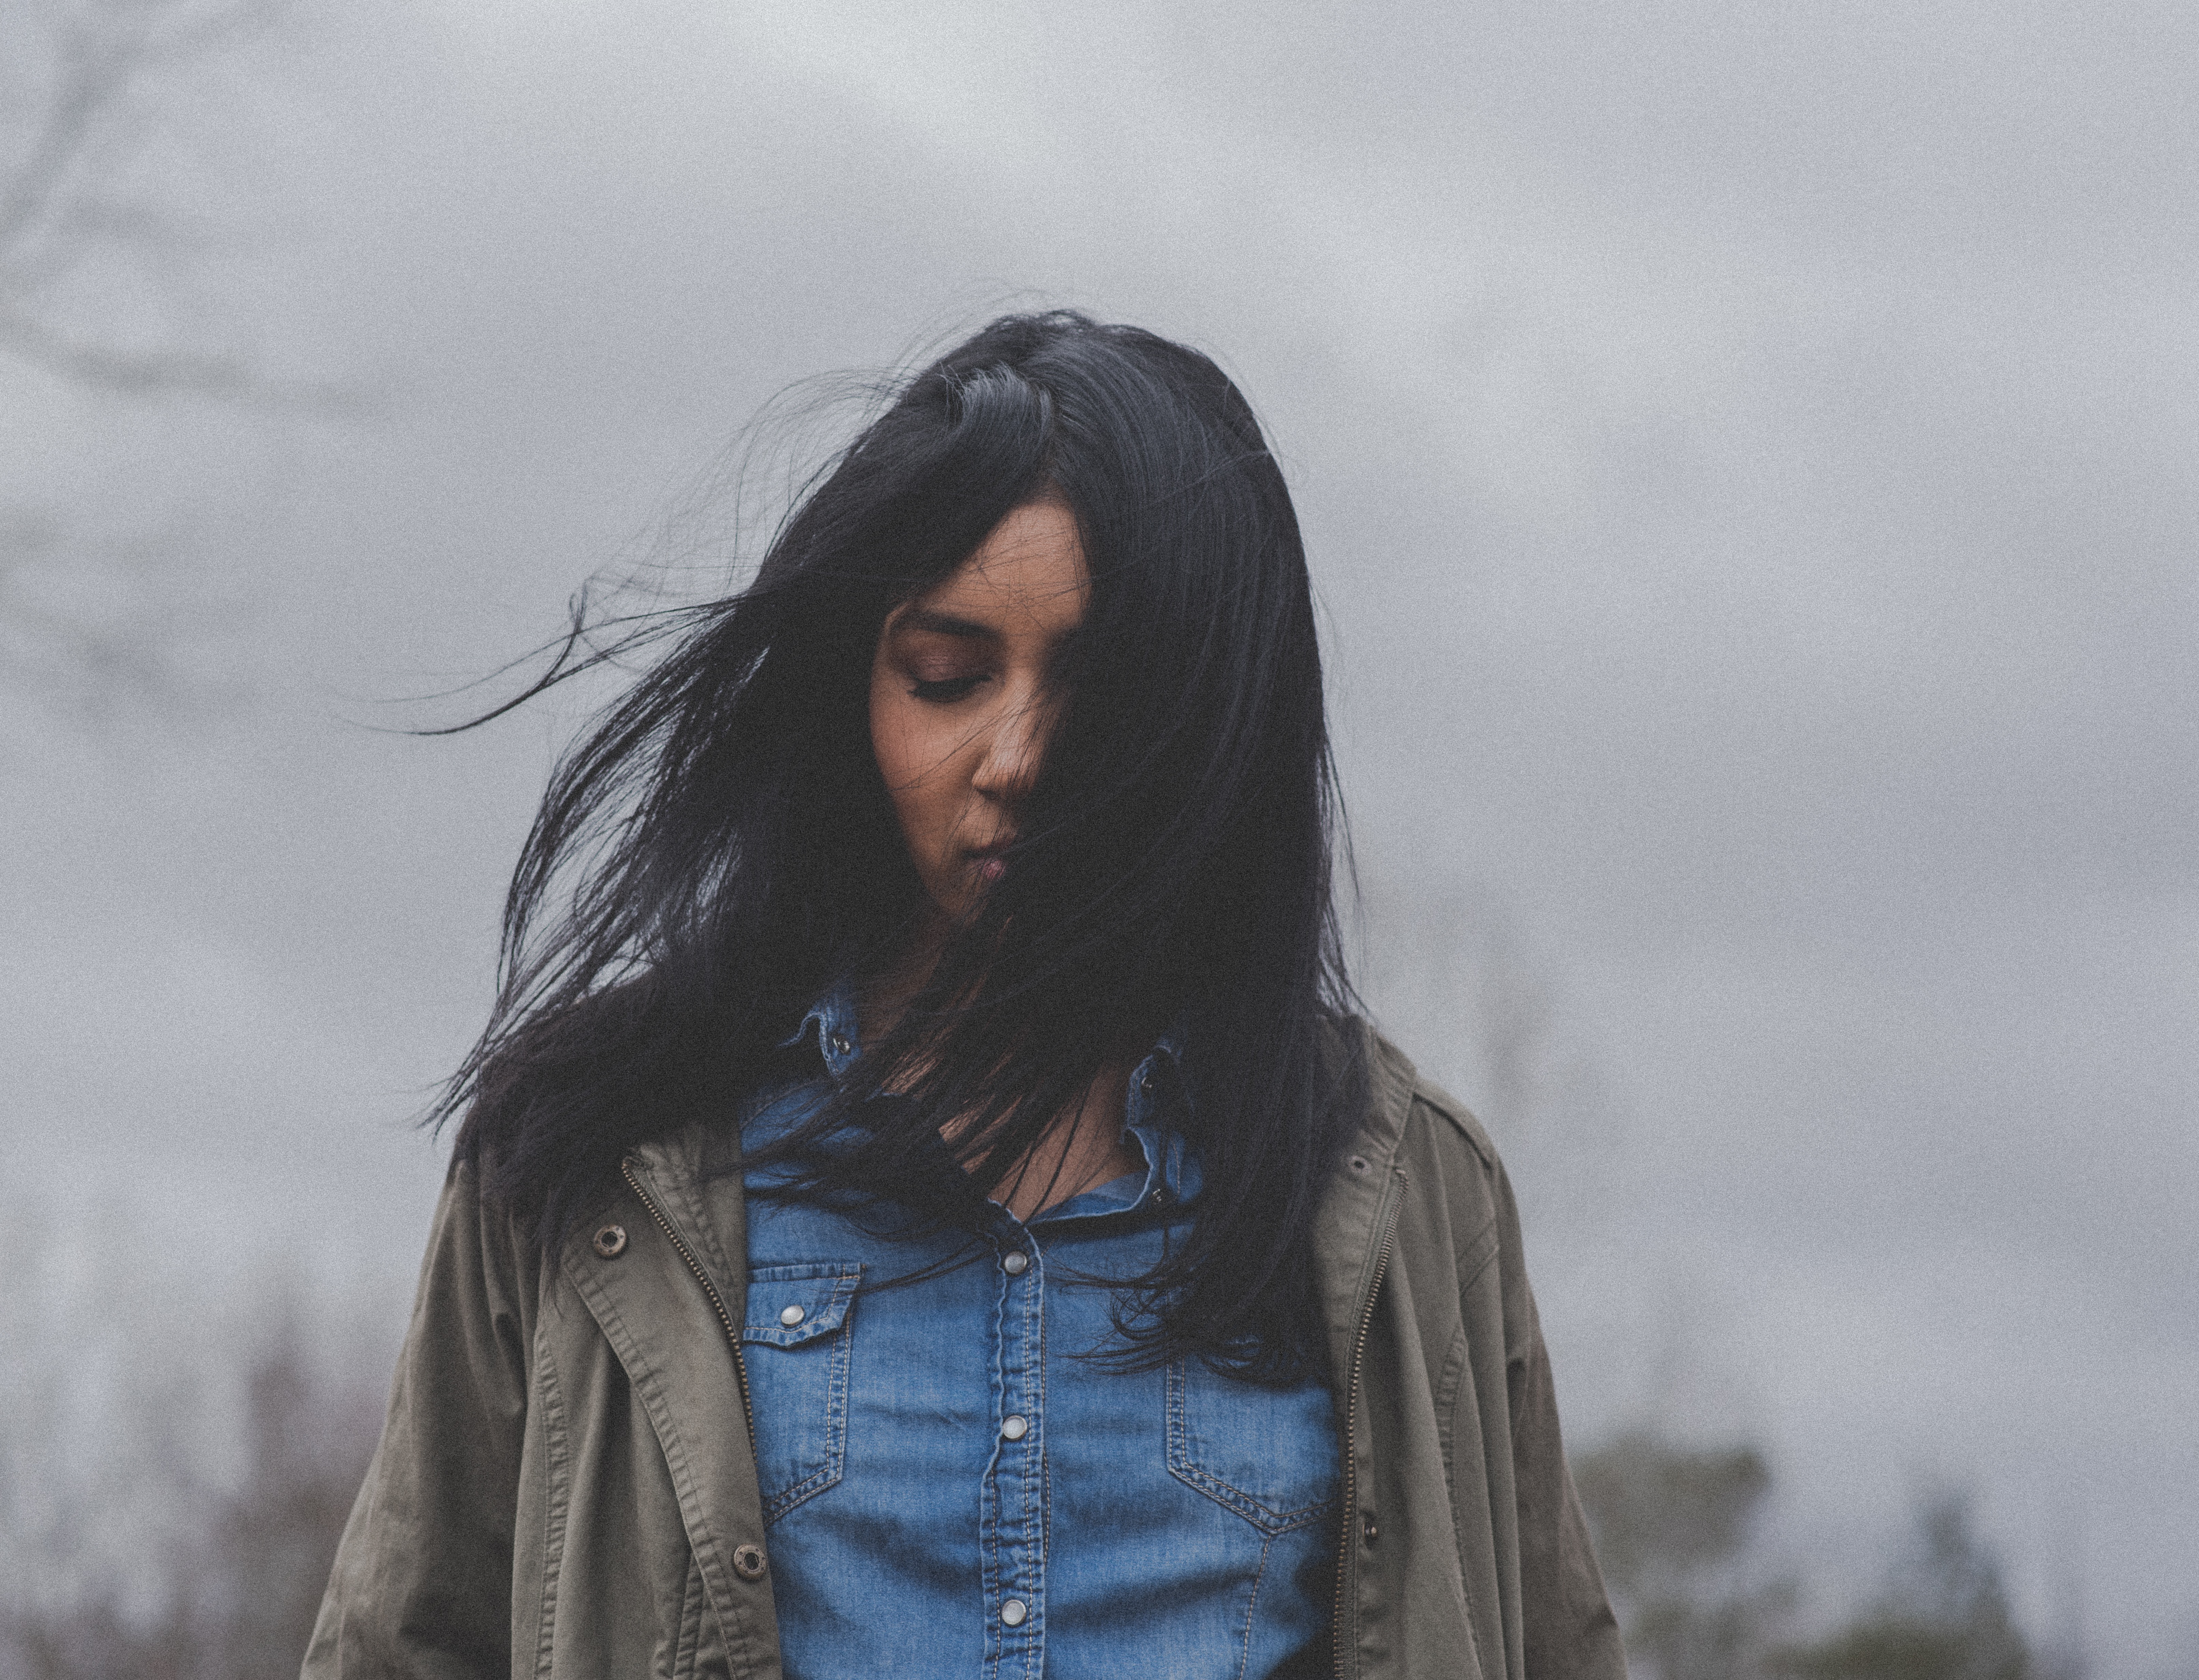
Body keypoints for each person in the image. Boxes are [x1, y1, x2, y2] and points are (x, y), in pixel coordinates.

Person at [301, 312, 1626, 1680]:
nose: (1015, 757)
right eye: (946, 675)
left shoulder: (1405, 1193)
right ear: (853, 687)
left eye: (1104, 689)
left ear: (1220, 711)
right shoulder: (589, 1168)